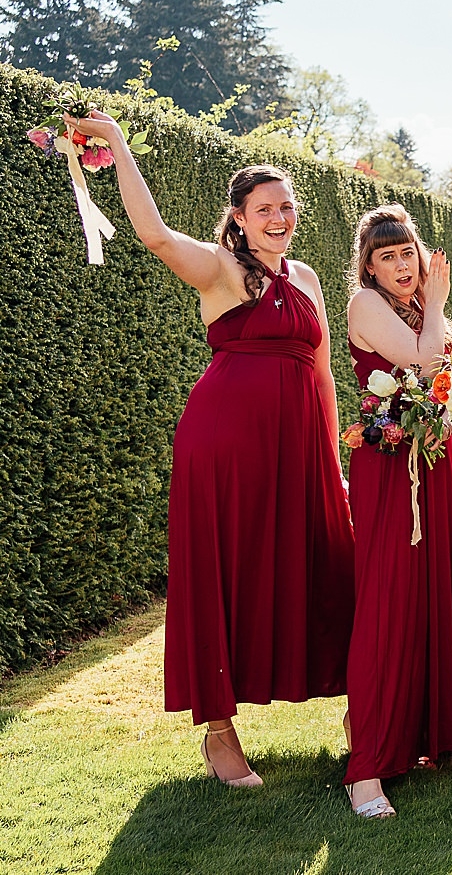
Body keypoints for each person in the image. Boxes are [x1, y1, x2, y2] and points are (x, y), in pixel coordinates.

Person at [65, 110, 355, 787]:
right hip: (225, 442)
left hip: (299, 445)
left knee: (326, 563)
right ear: (240, 217)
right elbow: (154, 234)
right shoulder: (221, 269)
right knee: (226, 568)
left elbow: (322, 374)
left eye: (286, 207)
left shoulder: (307, 277)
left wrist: (331, 459)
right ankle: (220, 732)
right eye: (264, 209)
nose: (279, 218)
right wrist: (116, 142)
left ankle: (358, 709)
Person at [342, 205, 452, 818]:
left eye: (408, 252)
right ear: (369, 267)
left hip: (434, 462)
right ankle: (366, 768)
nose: (403, 265)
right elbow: (424, 362)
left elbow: (444, 382)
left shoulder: (421, 308)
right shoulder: (365, 305)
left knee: (437, 589)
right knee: (389, 600)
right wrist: (437, 302)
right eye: (388, 257)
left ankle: (431, 732)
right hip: (390, 470)